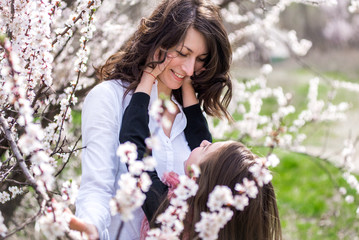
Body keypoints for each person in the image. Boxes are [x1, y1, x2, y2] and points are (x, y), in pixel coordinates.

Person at [75, 0, 232, 239]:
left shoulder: (191, 118)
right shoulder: (109, 98)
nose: (190, 69)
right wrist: (91, 227)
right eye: (182, 53)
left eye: (201, 58)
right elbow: (96, 188)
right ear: (159, 43)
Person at [119, 91, 282, 240]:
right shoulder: (210, 224)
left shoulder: (172, 213)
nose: (204, 141)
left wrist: (144, 87)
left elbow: (134, 146)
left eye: (206, 147)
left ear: (199, 178)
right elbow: (200, 135)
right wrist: (187, 86)